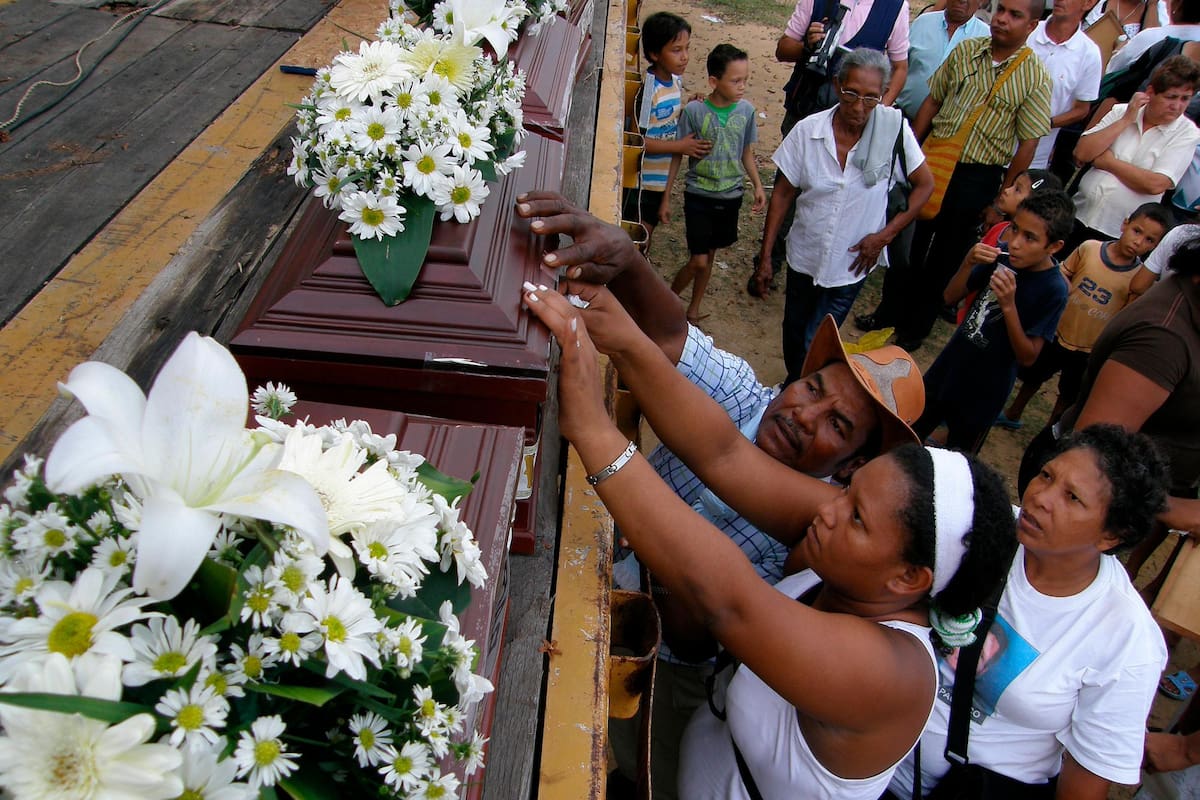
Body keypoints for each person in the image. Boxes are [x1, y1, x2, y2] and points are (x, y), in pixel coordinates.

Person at [519, 281, 1016, 799]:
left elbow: (732, 601)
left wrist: (596, 432)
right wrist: (624, 338)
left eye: (857, 517)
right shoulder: (845, 536)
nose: (828, 508)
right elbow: (726, 454)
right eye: (847, 494)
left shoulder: (891, 674)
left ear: (910, 577)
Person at [887, 424, 1170, 798]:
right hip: (860, 756)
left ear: (1110, 536)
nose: (1041, 497)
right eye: (1046, 475)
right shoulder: (982, 525)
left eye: (1072, 498)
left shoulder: (1127, 640)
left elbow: (1083, 787)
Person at [859, 0, 1053, 351]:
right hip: (933, 160)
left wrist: (1002, 198)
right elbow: (933, 103)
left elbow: (1027, 144)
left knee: (945, 258)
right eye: (1001, 10)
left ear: (1032, 25)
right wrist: (911, 154)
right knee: (907, 244)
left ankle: (914, 331)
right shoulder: (966, 50)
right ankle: (887, 313)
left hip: (977, 177)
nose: (1003, 20)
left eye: (1015, 15)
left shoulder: (1035, 77)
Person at [750, 48, 934, 376]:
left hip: (852, 264)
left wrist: (885, 236)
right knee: (793, 329)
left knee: (814, 339)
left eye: (871, 98)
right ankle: (795, 383)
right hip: (805, 256)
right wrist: (766, 257)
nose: (859, 107)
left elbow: (925, 186)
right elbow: (782, 194)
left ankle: (798, 389)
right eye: (851, 94)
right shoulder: (809, 131)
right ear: (837, 86)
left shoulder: (893, 133)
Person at [758, 0, 912, 289]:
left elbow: (900, 66)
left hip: (856, 120)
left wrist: (875, 111)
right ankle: (772, 260)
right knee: (789, 186)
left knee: (842, 192)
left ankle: (830, 267)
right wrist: (807, 45)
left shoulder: (895, 6)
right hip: (807, 107)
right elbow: (784, 48)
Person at [914, 191, 1074, 453]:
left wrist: (1009, 306)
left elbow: (1028, 356)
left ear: (1054, 246)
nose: (1015, 243)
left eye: (1029, 237)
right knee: (908, 433)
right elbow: (949, 296)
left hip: (985, 391)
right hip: (949, 368)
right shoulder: (1001, 257)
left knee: (958, 459)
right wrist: (968, 263)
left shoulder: (1053, 289)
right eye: (1014, 229)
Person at [999, 202, 1168, 428]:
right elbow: (1062, 275)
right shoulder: (1090, 248)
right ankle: (1013, 413)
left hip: (1089, 347)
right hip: (1058, 331)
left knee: (1068, 393)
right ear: (1125, 224)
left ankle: (1052, 430)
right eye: (1137, 231)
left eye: (1149, 240)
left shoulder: (1139, 280)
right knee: (1033, 377)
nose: (1138, 242)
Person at [663, 44, 767, 325]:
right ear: (714, 81)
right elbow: (678, 152)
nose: (742, 86)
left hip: (731, 196)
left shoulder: (746, 111)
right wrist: (666, 196)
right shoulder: (695, 112)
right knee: (698, 260)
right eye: (735, 81)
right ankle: (666, 303)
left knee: (708, 257)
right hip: (698, 195)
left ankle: (693, 309)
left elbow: (746, 150)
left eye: (745, 79)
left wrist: (757, 185)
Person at [1069, 55, 1200, 251]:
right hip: (1078, 214)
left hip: (1120, 234)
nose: (1177, 106)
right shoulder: (1121, 111)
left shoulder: (1187, 133)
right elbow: (1082, 152)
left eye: (1185, 99)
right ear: (1150, 92)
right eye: (1171, 97)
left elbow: (1155, 184)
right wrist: (1125, 121)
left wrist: (1107, 162)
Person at [622, 13, 712, 248]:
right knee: (637, 241)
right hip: (642, 184)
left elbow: (667, 120)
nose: (685, 57)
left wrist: (688, 108)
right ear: (654, 54)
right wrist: (680, 146)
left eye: (687, 48)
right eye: (676, 50)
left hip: (661, 181)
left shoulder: (675, 82)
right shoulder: (649, 90)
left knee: (646, 238)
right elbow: (637, 141)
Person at [1028, 0, 1104, 170]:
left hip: (1035, 157)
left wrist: (1043, 123)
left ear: (1088, 3)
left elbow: (1082, 109)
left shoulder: (1089, 53)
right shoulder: (1027, 30)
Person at [895, 0, 989, 122]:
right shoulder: (922, 23)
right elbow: (896, 68)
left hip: (950, 132)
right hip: (904, 120)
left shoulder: (987, 38)